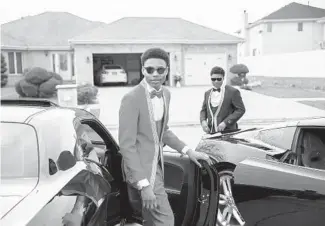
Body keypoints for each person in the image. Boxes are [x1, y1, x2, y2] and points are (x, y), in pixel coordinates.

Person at [118, 48, 212, 226]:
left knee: (149, 219)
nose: (155, 74)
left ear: (167, 70)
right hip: (140, 170)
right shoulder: (131, 98)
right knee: (166, 220)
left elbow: (163, 131)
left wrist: (188, 151)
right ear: (143, 70)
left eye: (160, 70)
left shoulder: (166, 94)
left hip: (156, 166)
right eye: (149, 70)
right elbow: (126, 146)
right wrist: (144, 185)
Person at [200, 66, 245, 134]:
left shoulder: (233, 92)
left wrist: (225, 122)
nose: (216, 81)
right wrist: (203, 121)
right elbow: (203, 110)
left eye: (219, 79)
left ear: (223, 78)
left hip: (228, 132)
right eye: (213, 79)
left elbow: (241, 110)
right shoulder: (207, 93)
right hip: (211, 132)